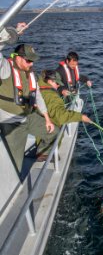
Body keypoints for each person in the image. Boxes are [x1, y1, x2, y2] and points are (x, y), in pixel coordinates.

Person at [0, 23, 59, 172]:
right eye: (28, 60)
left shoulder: (31, 73)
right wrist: (11, 33)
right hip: (11, 122)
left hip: (29, 116)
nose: (31, 63)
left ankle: (42, 154)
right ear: (18, 58)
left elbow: (37, 96)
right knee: (14, 165)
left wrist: (46, 118)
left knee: (54, 132)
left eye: (33, 60)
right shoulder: (5, 69)